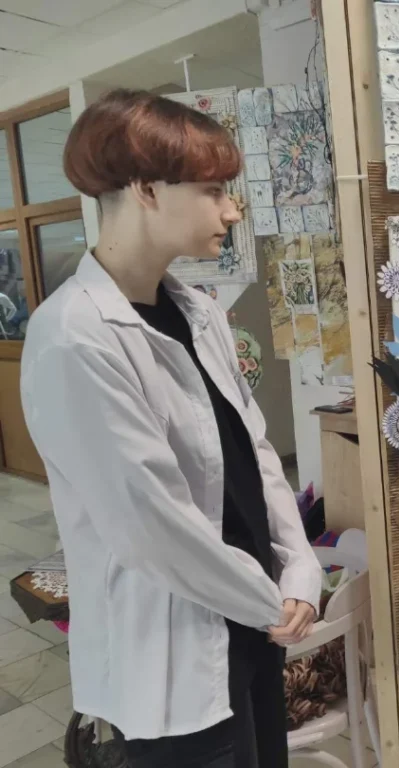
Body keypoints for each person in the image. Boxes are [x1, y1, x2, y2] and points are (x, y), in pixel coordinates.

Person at [20, 89, 323, 768]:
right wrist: (270, 599)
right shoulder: (76, 337)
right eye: (213, 191)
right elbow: (150, 526)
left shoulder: (198, 313)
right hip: (173, 649)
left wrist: (301, 567)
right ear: (146, 190)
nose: (232, 211)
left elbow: (254, 451)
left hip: (253, 625)